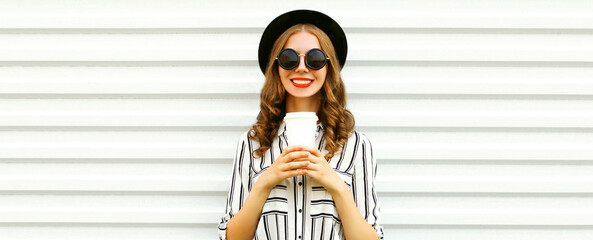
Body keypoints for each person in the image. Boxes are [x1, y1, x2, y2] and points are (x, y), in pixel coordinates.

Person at [218, 9, 384, 240]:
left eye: (315, 59)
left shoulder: (356, 146)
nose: (302, 67)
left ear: (328, 67)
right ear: (277, 66)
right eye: (289, 58)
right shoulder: (252, 143)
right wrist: (265, 182)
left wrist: (335, 185)